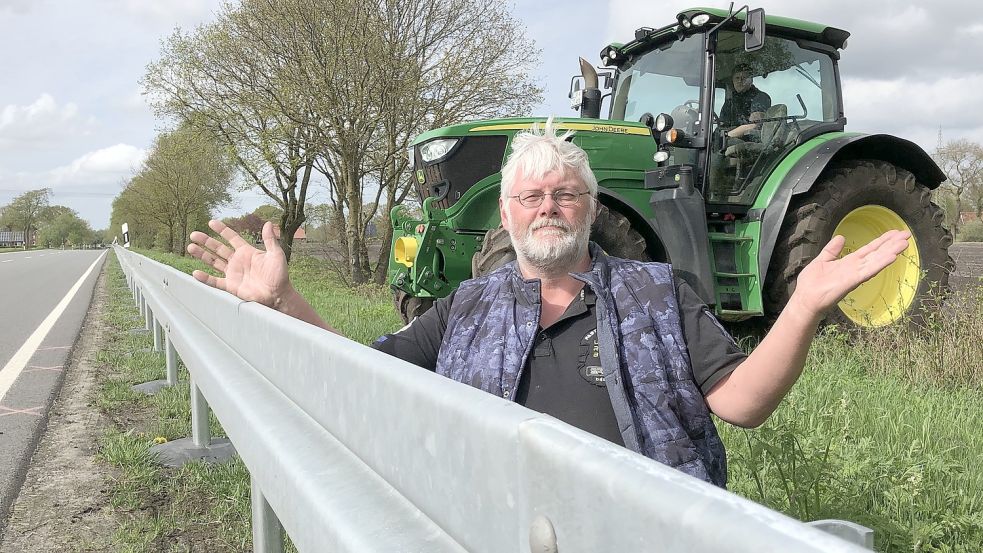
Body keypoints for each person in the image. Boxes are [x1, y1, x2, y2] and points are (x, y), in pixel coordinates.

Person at [186, 121, 911, 488]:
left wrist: (803, 305)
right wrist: (283, 297)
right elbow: (369, 373)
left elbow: (743, 402)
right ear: (505, 217)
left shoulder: (657, 292)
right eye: (530, 196)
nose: (548, 207)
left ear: (592, 210)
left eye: (565, 193)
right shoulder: (467, 306)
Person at [719, 63, 772, 140]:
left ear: (751, 80)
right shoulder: (730, 101)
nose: (740, 81)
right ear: (733, 81)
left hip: (750, 142)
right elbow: (722, 124)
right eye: (737, 78)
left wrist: (726, 136)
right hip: (729, 139)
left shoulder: (760, 97)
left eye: (744, 77)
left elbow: (754, 125)